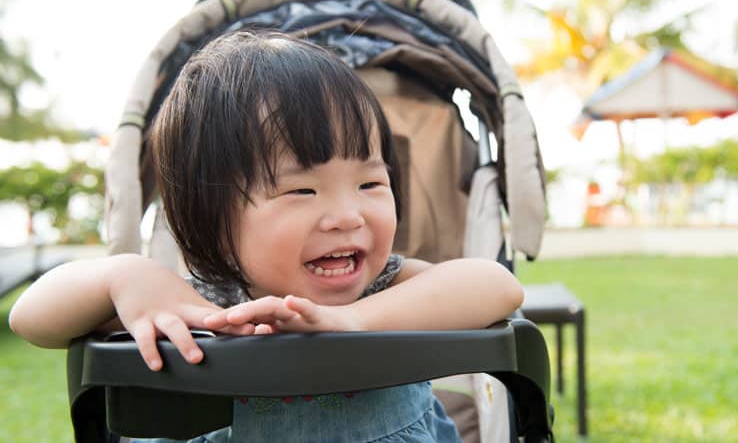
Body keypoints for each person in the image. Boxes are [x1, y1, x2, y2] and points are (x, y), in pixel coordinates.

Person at [9, 30, 524, 442]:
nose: (347, 215)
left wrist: (352, 321)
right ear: (211, 215)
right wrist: (124, 275)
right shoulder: (198, 304)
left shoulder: (384, 291)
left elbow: (496, 287)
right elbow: (31, 318)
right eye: (302, 191)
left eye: (370, 182)